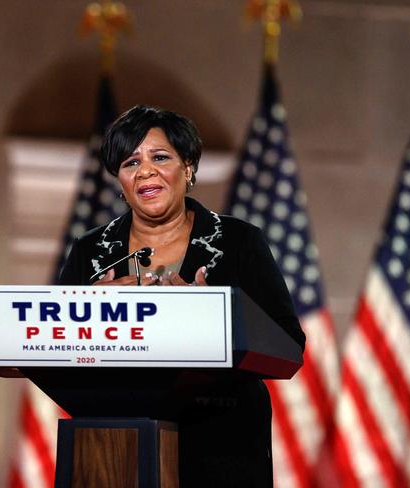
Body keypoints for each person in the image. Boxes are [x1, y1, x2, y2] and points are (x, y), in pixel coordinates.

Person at [58, 105, 305, 487]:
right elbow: (48, 342)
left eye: (159, 157)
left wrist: (216, 320)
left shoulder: (238, 242)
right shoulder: (91, 251)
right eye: (129, 162)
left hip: (221, 438)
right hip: (114, 446)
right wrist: (82, 314)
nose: (145, 171)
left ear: (188, 167)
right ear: (119, 180)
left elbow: (288, 346)